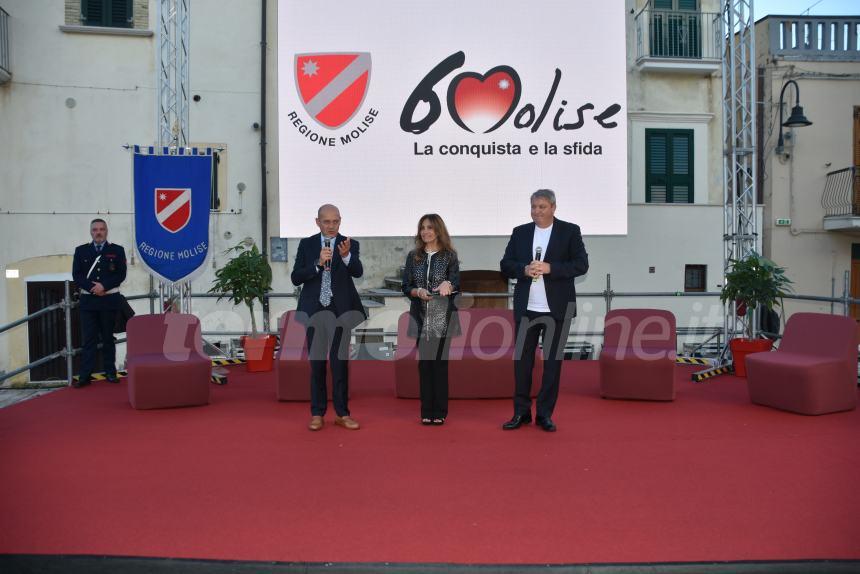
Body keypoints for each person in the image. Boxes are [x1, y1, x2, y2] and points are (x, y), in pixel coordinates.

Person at [499, 189, 589, 432]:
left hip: (557, 309)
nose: (536, 211)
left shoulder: (570, 231)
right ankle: (521, 413)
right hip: (526, 309)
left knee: (552, 365)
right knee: (522, 364)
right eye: (533, 207)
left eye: (541, 207)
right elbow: (505, 264)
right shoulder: (520, 233)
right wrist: (523, 269)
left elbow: (581, 265)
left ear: (553, 207)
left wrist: (551, 268)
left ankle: (545, 415)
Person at [291, 204, 366, 431]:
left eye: (335, 221)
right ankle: (317, 413)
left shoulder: (349, 244)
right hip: (315, 311)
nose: (331, 226)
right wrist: (316, 263)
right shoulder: (307, 245)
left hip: (340, 312)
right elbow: (296, 278)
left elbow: (358, 272)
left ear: (340, 221)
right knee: (317, 365)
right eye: (326, 222)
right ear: (317, 222)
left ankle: (342, 413)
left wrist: (346, 257)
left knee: (339, 364)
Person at [401, 214, 460, 426]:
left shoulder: (449, 256)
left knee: (439, 365)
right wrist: (416, 291)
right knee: (425, 365)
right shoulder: (413, 256)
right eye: (422, 228)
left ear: (438, 230)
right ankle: (427, 411)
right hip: (420, 315)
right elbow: (405, 286)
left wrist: (449, 286)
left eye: (430, 228)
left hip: (442, 315)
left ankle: (440, 412)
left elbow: (455, 282)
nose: (425, 231)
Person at [71, 218, 128, 388]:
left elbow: (121, 274)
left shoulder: (117, 250)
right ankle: (85, 376)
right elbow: (77, 275)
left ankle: (110, 372)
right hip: (88, 302)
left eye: (101, 229)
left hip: (109, 301)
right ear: (91, 232)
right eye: (95, 229)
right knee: (88, 339)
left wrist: (104, 286)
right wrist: (92, 288)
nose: (98, 232)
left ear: (106, 231)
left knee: (108, 338)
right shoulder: (81, 251)